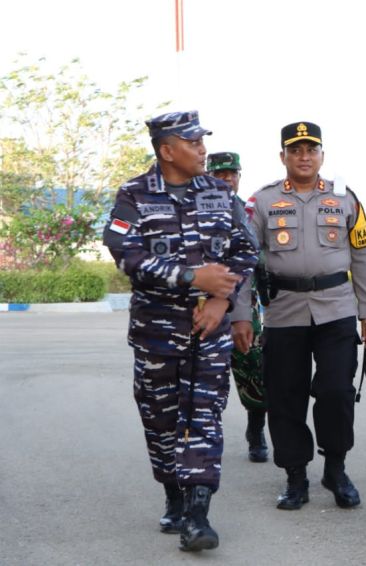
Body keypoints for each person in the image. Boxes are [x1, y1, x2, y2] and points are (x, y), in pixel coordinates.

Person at [102, 111, 258, 552]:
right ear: (167, 150)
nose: (203, 150)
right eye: (192, 142)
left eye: (202, 141)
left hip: (210, 331)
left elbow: (246, 248)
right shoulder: (133, 194)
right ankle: (172, 492)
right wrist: (192, 279)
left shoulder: (218, 191)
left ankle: (197, 513)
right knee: (161, 421)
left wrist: (222, 299)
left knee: (204, 417)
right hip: (156, 331)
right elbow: (125, 254)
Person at [236, 121, 366, 512]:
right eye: (295, 150)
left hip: (336, 308)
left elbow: (362, 257)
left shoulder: (345, 198)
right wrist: (242, 316)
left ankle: (336, 468)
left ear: (322, 155)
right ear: (282, 156)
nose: (304, 157)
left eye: (311, 150)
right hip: (284, 311)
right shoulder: (262, 201)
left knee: (336, 390)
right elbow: (245, 261)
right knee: (285, 395)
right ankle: (295, 476)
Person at [206, 151, 269, 463]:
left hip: (243, 309)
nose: (228, 179)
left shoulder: (248, 210)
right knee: (204, 380)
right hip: (204, 308)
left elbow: (259, 258)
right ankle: (203, 441)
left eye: (232, 173)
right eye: (220, 174)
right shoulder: (193, 208)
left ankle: (256, 432)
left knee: (255, 371)